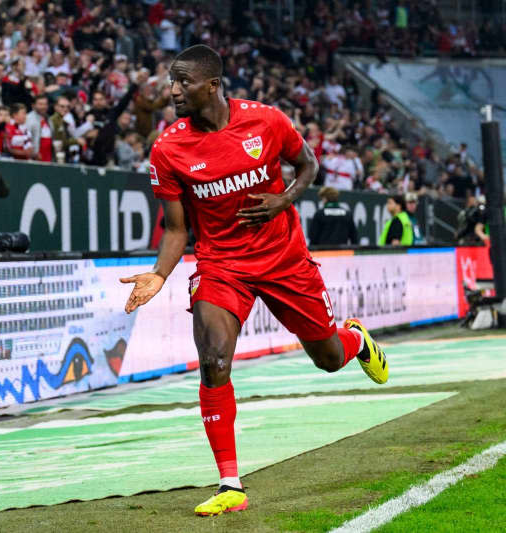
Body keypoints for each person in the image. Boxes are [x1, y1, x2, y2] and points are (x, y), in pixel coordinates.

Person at [120, 45, 388, 517]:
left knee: (327, 358)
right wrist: (160, 273)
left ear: (212, 86)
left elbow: (308, 165)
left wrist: (284, 200)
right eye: (172, 81)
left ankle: (356, 341)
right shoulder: (168, 148)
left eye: (183, 82)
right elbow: (178, 228)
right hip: (221, 264)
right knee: (215, 358)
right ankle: (230, 483)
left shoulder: (266, 121)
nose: (174, 90)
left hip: (284, 258)